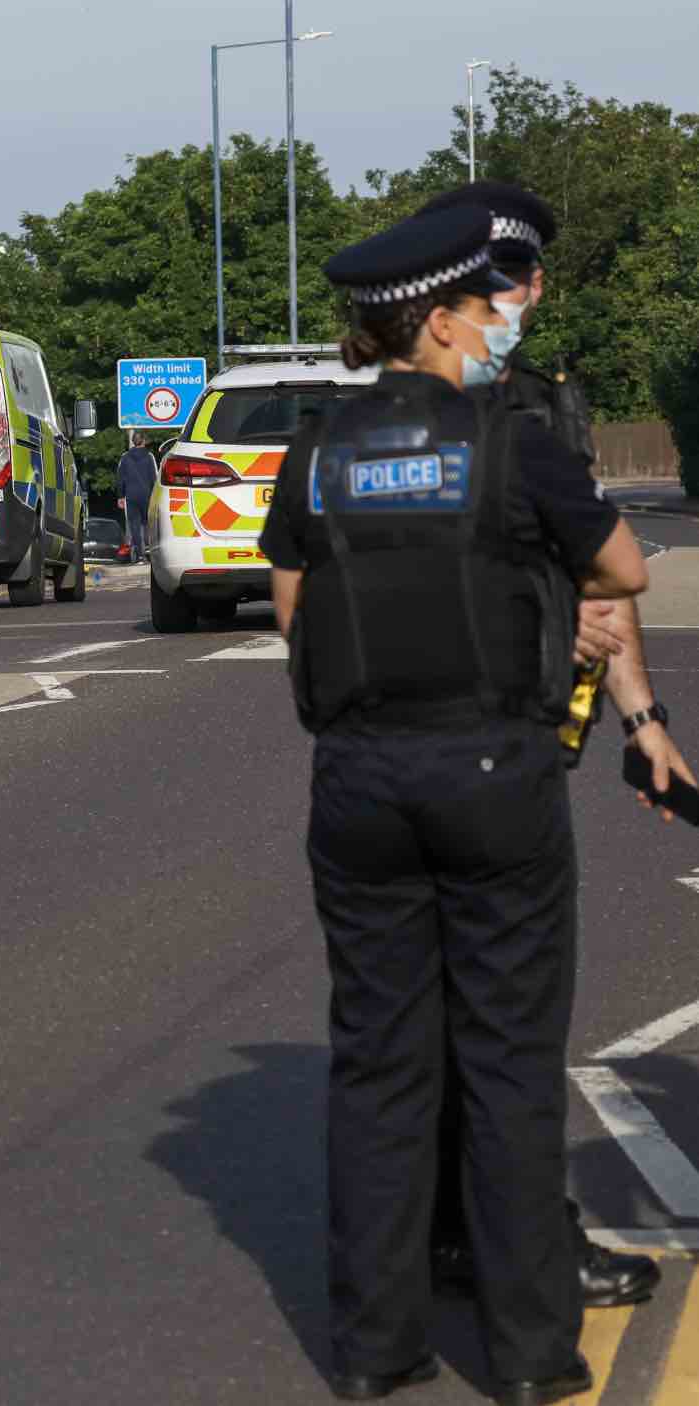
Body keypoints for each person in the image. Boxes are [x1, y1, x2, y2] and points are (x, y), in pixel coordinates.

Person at [258, 204, 650, 1404]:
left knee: (378, 1061)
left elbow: (291, 610)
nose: (495, 327)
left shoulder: (313, 451)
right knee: (505, 1062)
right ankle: (529, 1354)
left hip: (357, 778)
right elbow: (623, 566)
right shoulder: (507, 442)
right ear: (435, 321)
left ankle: (373, 1346)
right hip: (489, 773)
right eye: (483, 310)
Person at [412, 180, 692, 1314]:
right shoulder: (410, 414)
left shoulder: (534, 410)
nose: (514, 302)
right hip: (446, 741)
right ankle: (511, 1245)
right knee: (487, 1016)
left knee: (471, 1011)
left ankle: (456, 1232)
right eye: (495, 284)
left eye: (520, 282)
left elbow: (596, 578)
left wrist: (641, 717)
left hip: (507, 738)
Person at [115, 431, 157, 561]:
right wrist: (155, 495)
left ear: (133, 442)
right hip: (147, 495)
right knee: (147, 523)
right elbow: (154, 477)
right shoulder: (149, 457)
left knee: (134, 525)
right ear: (143, 441)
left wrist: (120, 496)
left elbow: (120, 478)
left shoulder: (125, 457)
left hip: (131, 495)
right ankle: (149, 549)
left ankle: (139, 553)